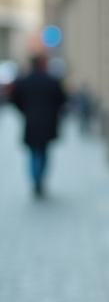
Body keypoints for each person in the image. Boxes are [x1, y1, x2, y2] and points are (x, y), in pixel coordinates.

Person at [8, 53, 68, 198]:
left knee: (34, 153)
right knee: (43, 152)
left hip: (31, 122)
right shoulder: (51, 81)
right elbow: (62, 99)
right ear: (42, 64)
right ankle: (39, 180)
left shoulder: (24, 81)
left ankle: (36, 180)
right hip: (47, 123)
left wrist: (25, 111)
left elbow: (14, 100)